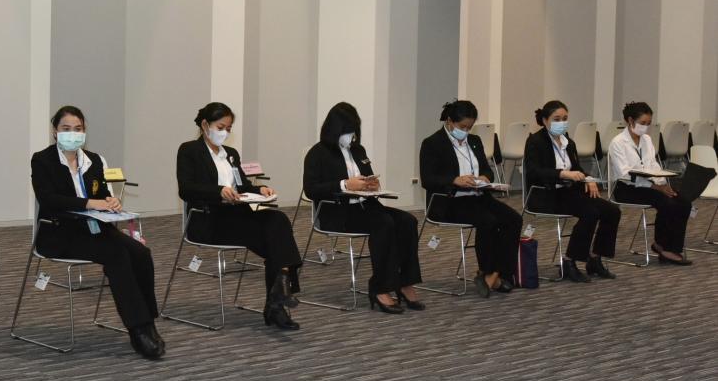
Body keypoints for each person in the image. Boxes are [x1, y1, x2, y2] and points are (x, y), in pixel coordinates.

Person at [31, 106, 165, 359]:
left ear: (85, 131)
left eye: (78, 129)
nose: (73, 134)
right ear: (55, 131)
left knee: (141, 253)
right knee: (116, 254)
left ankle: (148, 321)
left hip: (94, 228)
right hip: (58, 232)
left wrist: (111, 201)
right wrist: (90, 203)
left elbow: (103, 194)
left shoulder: (94, 160)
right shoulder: (42, 160)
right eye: (66, 129)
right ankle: (137, 329)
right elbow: (48, 199)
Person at [177, 102, 302, 330]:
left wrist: (259, 189)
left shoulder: (231, 154)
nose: (224, 133)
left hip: (237, 215)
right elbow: (186, 189)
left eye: (228, 128)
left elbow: (242, 185)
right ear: (205, 125)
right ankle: (276, 304)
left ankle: (277, 296)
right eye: (220, 127)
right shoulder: (189, 150)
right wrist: (218, 191)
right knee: (276, 243)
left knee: (279, 220)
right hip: (208, 219)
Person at [304, 102, 424, 313]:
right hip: (337, 211)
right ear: (334, 129)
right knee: (383, 224)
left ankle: (405, 283)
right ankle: (380, 288)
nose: (351, 136)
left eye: (353, 131)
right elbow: (311, 189)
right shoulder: (318, 153)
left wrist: (371, 184)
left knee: (407, 220)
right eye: (347, 131)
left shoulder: (358, 150)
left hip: (366, 205)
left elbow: (367, 175)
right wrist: (344, 184)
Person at [420, 100, 523, 298]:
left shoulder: (474, 140)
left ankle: (498, 274)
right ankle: (488, 272)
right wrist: (454, 180)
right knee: (488, 221)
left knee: (513, 219)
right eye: (462, 127)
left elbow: (486, 169)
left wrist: (485, 177)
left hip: (477, 196)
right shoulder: (432, 143)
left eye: (469, 127)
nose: (466, 131)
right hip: (449, 201)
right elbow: (428, 179)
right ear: (449, 122)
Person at [524, 100, 620, 281]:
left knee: (612, 211)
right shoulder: (535, 141)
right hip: (545, 194)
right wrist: (562, 174)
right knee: (590, 212)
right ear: (545, 120)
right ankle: (569, 262)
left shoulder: (568, 142)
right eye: (556, 119)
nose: (561, 123)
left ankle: (595, 258)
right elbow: (534, 172)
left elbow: (577, 169)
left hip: (569, 192)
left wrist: (588, 179)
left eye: (565, 119)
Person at [608, 101, 691, 265]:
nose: (646, 127)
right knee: (667, 202)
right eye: (643, 123)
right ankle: (665, 248)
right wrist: (655, 187)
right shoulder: (617, 143)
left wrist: (663, 183)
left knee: (683, 202)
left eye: (648, 123)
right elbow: (624, 175)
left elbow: (653, 165)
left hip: (650, 184)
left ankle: (668, 246)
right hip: (626, 188)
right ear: (630, 121)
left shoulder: (646, 139)